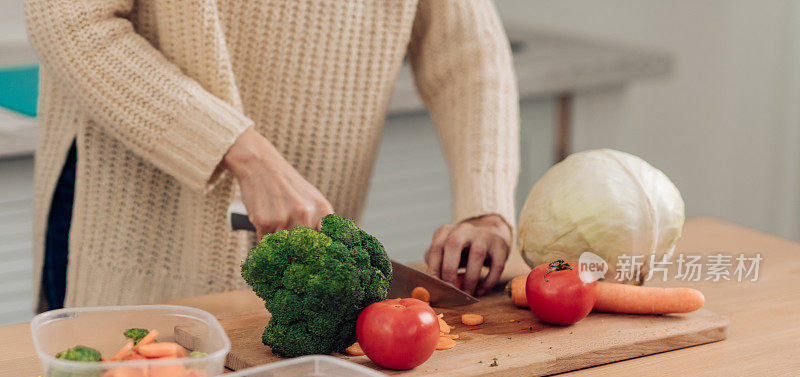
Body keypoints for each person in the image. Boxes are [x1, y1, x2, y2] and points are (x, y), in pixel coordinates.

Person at [25, 0, 519, 310]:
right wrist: (242, 152)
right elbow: (69, 20)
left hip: (301, 253)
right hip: (136, 227)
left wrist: (485, 206)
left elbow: (470, 54)